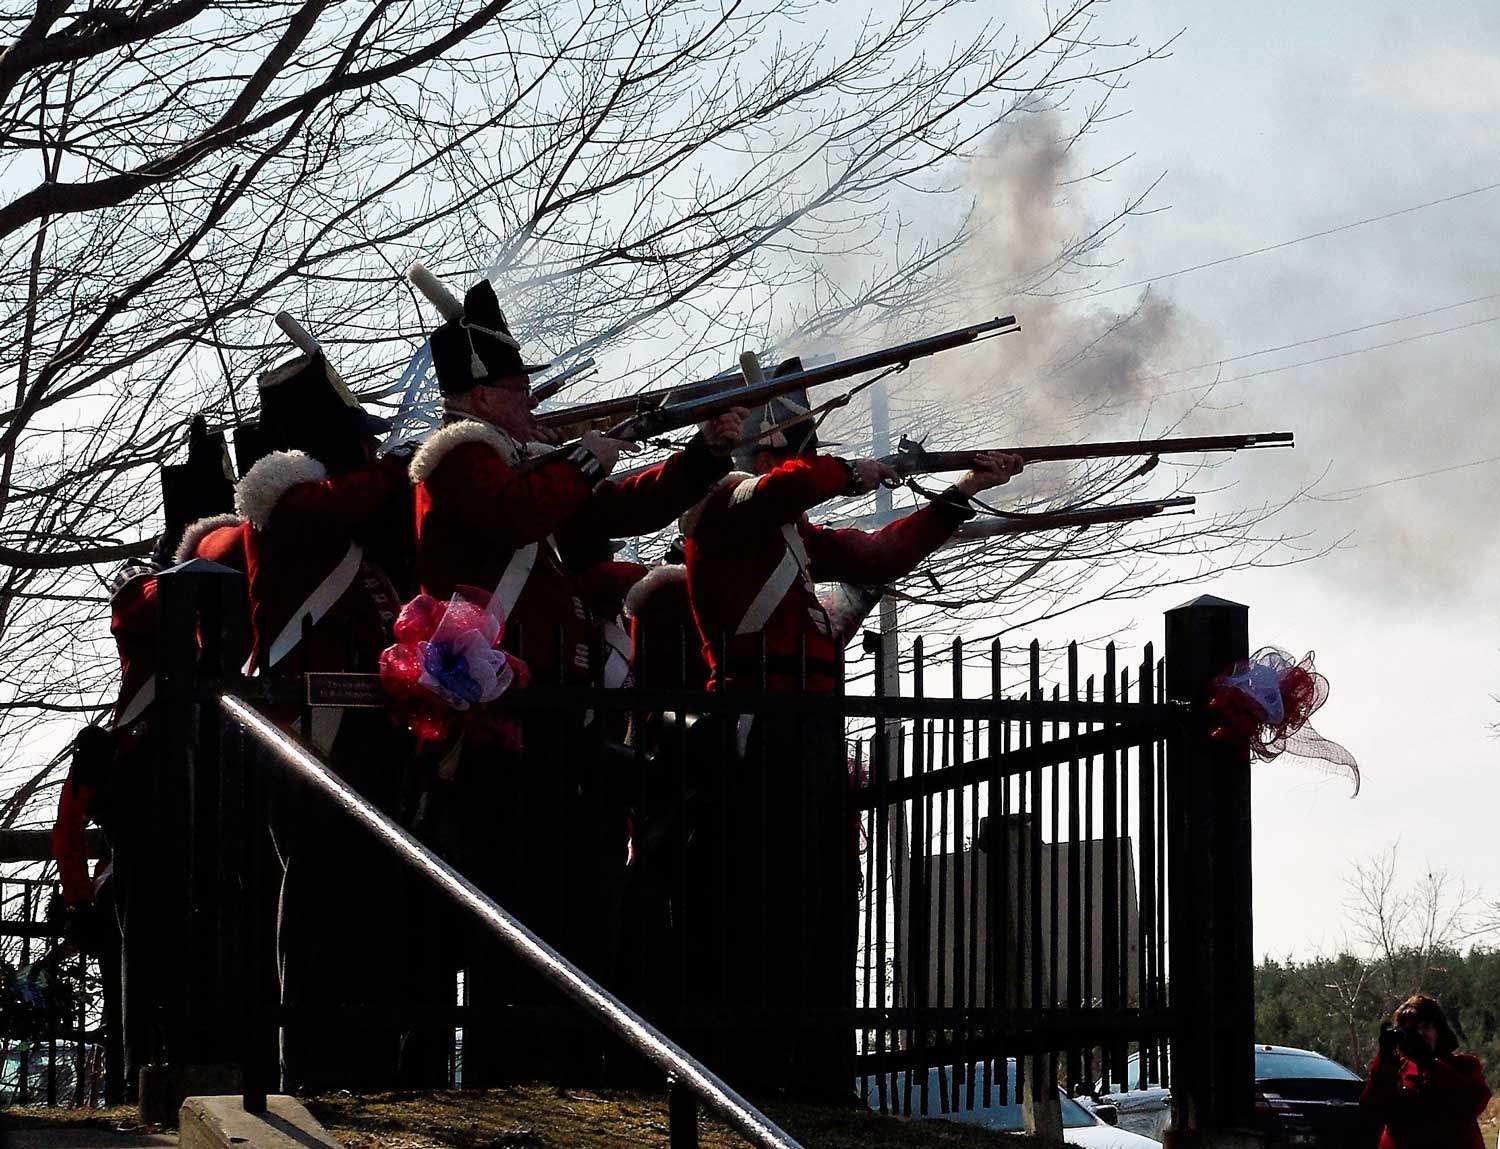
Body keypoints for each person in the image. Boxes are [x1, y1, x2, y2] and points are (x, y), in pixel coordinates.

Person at [404, 268, 746, 1083]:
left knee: (568, 893)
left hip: (554, 710)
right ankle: (510, 1063)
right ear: (480, 397)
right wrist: (586, 460)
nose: (528, 400)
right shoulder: (459, 463)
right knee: (515, 898)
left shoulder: (526, 464)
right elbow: (519, 512)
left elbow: (624, 508)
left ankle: (559, 1058)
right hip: (503, 713)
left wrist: (703, 455)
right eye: (516, 389)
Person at [679, 375, 1023, 1096]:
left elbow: (874, 556)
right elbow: (778, 491)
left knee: (816, 890)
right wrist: (853, 471)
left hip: (806, 725)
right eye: (800, 452)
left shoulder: (786, 529)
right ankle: (752, 1063)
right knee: (760, 891)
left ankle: (813, 1061)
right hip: (756, 724)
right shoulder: (721, 506)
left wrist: (958, 493)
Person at [236, 334, 419, 1091]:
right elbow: (346, 499)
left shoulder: (336, 510)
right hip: (314, 731)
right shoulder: (289, 502)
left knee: (372, 900)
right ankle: (310, 1064)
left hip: (369, 727)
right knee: (319, 898)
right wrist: (404, 460)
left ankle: (369, 1061)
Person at [1360, 994, 1491, 1149]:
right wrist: (1384, 1059)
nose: (1420, 1035)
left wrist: (1430, 1063)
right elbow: (1371, 1109)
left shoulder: (1465, 1066)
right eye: (1413, 1030)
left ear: (1439, 1031)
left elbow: (1474, 1103)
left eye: (1426, 1028)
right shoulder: (1396, 1069)